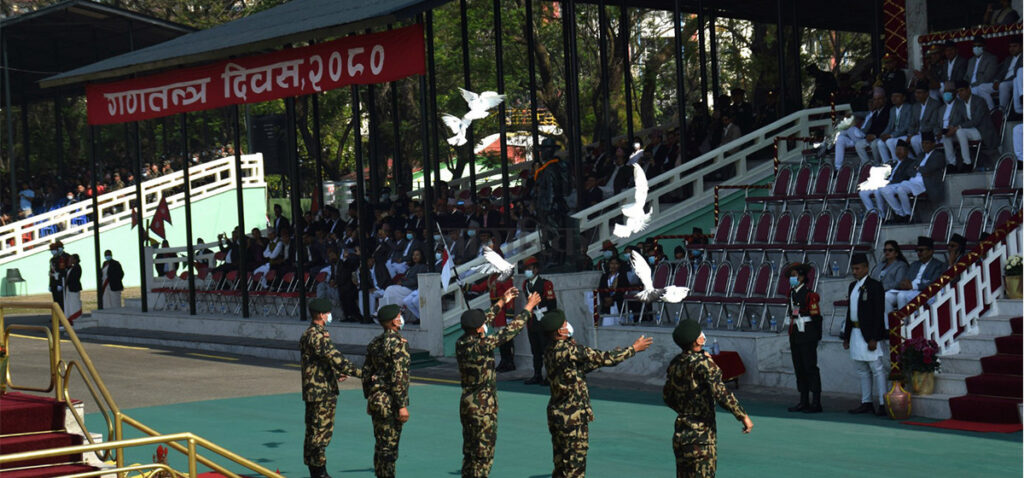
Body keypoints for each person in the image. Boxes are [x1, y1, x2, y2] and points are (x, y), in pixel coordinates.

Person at [541, 309, 653, 478]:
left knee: (561, 464)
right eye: (564, 324)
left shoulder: (550, 350)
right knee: (574, 468)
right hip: (573, 418)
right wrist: (633, 349)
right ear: (559, 331)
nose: (567, 325)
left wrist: (612, 354)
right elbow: (604, 358)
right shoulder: (570, 350)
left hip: (558, 415)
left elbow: (579, 368)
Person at [457, 289, 540, 478]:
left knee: (470, 453)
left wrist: (502, 301)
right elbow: (511, 330)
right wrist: (528, 307)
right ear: (479, 329)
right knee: (482, 456)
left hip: (467, 403)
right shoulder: (482, 345)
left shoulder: (462, 342)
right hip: (482, 407)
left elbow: (483, 319)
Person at [664, 320, 753, 477]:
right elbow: (721, 392)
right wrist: (742, 416)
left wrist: (686, 410)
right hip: (701, 437)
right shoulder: (704, 363)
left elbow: (668, 396)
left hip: (681, 434)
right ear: (697, 341)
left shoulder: (675, 363)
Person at [300, 298, 363, 478]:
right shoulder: (317, 336)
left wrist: (334, 375)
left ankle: (316, 470)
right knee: (320, 433)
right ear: (320, 315)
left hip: (315, 389)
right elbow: (336, 358)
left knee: (313, 431)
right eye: (327, 312)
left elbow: (317, 363)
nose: (329, 315)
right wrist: (363, 373)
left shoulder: (309, 334)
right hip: (322, 392)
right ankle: (320, 473)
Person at [362, 304, 410, 478]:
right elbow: (399, 378)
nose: (401, 319)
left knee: (381, 445)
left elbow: (367, 372)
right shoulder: (398, 344)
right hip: (389, 401)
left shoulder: (375, 342)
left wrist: (369, 396)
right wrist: (402, 405)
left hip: (376, 398)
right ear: (393, 321)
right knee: (389, 448)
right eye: (399, 316)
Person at [841, 253, 889, 417]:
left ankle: (883, 403)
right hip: (855, 332)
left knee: (877, 368)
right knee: (862, 369)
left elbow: (879, 313)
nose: (855, 272)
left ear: (866, 268)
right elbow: (850, 312)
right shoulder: (852, 286)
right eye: (853, 269)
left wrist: (875, 337)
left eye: (857, 268)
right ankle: (866, 401)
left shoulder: (875, 286)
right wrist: (846, 335)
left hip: (869, 333)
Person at [879, 135, 944, 223]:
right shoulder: (920, 155)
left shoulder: (938, 155)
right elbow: (909, 170)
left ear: (933, 144)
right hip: (912, 181)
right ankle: (900, 214)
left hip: (925, 183)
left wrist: (917, 168)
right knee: (884, 189)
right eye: (923, 143)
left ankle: (908, 215)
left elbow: (929, 168)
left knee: (901, 189)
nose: (924, 145)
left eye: (927, 143)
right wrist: (919, 169)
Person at [786, 263, 823, 413]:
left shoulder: (810, 295)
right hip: (795, 333)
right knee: (799, 367)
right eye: (791, 276)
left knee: (810, 367)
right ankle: (803, 400)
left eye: (794, 276)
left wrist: (816, 335)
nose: (792, 279)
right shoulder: (792, 293)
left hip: (807, 334)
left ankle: (816, 401)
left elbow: (816, 317)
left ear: (802, 277)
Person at [884, 236, 948, 313]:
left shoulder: (938, 265)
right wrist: (904, 284)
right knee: (886, 297)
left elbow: (933, 283)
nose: (918, 253)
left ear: (930, 251)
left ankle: (903, 323)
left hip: (923, 291)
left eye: (921, 250)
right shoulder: (914, 264)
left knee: (901, 296)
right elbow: (906, 279)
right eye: (917, 251)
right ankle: (890, 323)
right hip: (908, 290)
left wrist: (913, 286)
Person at [523, 256, 557, 385]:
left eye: (530, 268)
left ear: (536, 269)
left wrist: (551, 321)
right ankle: (537, 374)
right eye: (526, 269)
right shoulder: (525, 284)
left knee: (547, 350)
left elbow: (552, 303)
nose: (527, 271)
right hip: (532, 321)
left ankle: (550, 376)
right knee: (535, 350)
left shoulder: (545, 283)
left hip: (543, 319)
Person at [950, 80, 996, 172]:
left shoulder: (980, 101)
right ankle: (951, 164)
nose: (960, 93)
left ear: (969, 89)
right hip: (969, 131)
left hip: (981, 131)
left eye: (962, 90)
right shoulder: (960, 104)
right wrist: (951, 128)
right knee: (946, 136)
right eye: (958, 92)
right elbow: (957, 119)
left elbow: (976, 121)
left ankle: (967, 163)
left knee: (960, 131)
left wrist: (957, 127)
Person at [874, 90, 913, 164]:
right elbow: (889, 125)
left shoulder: (908, 107)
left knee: (890, 141)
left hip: (904, 134)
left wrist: (891, 135)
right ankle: (887, 164)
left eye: (897, 96)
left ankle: (897, 163)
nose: (894, 98)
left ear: (903, 98)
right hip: (894, 135)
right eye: (892, 96)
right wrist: (883, 135)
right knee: (880, 142)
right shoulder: (892, 109)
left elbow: (906, 126)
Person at [965, 36, 999, 111]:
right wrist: (965, 86)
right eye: (974, 46)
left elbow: (987, 77)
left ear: (984, 47)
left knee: (977, 89)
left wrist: (971, 87)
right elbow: (966, 77)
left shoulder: (991, 58)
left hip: (983, 84)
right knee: (959, 94)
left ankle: (992, 110)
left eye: (979, 46)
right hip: (970, 87)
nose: (976, 48)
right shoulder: (971, 60)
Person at [909, 82, 942, 156]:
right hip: (918, 133)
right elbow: (912, 123)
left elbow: (934, 123)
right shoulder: (915, 106)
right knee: (909, 140)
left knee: (915, 140)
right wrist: (910, 134)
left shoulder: (935, 104)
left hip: (931, 133)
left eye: (919, 93)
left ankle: (925, 159)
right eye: (916, 93)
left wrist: (919, 131)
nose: (917, 95)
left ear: (927, 93)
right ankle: (920, 159)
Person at [995, 37, 1022, 112]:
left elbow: (1019, 74)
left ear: (1021, 47)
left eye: (1015, 46)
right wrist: (996, 81)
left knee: (1003, 85)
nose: (1012, 49)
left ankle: (1001, 111)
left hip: (1015, 81)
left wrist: (1003, 82)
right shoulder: (1008, 59)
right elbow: (1001, 72)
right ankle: (992, 110)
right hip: (1003, 81)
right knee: (981, 88)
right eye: (1010, 46)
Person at [48, 241, 69, 311]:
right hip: (54, 282)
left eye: (53, 250)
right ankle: (56, 315)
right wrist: (50, 284)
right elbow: (51, 273)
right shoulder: (52, 259)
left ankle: (62, 315)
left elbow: (62, 272)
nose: (52, 251)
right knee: (55, 301)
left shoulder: (61, 259)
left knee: (61, 300)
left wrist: (60, 284)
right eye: (51, 250)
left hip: (59, 282)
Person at [64, 254, 83, 325]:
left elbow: (74, 278)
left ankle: (75, 319)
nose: (70, 260)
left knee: (74, 304)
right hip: (69, 289)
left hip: (74, 289)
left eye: (71, 259)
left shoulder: (77, 267)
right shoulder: (71, 268)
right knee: (69, 305)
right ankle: (69, 319)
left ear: (75, 260)